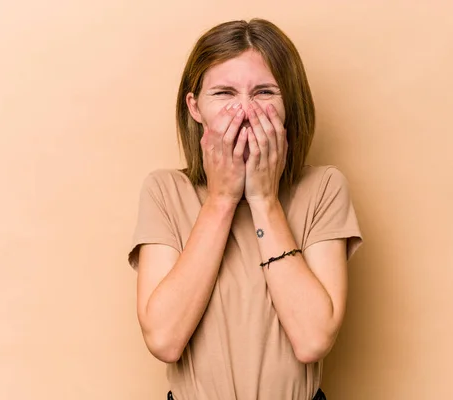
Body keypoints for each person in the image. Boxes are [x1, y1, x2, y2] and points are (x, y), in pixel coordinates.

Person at [128, 18, 363, 400]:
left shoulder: (323, 189)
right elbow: (164, 340)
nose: (245, 110)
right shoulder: (164, 191)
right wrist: (221, 199)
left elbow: (313, 339)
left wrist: (263, 200)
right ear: (195, 106)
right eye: (223, 93)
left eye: (265, 92)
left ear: (290, 104)